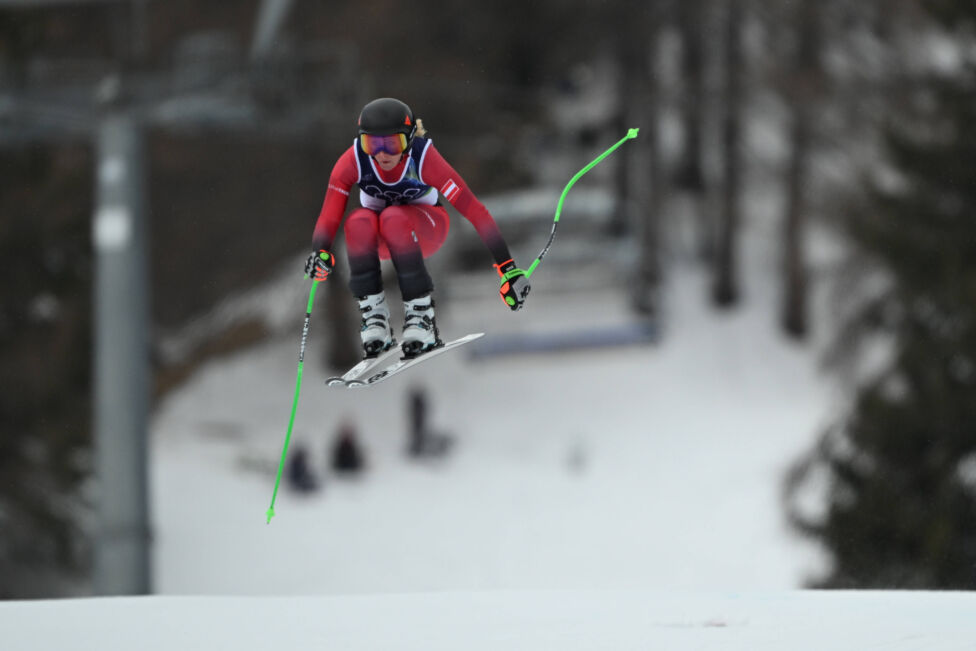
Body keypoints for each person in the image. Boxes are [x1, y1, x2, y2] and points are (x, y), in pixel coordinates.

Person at [304, 97, 531, 358]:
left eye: (392, 144)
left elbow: (474, 210)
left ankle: (421, 317)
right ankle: (375, 318)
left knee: (393, 216)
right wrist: (320, 252)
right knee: (357, 221)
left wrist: (508, 268)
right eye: (372, 144)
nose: (381, 154)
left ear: (409, 139)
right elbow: (330, 214)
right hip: (386, 243)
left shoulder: (423, 158)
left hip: (428, 231)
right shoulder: (354, 160)